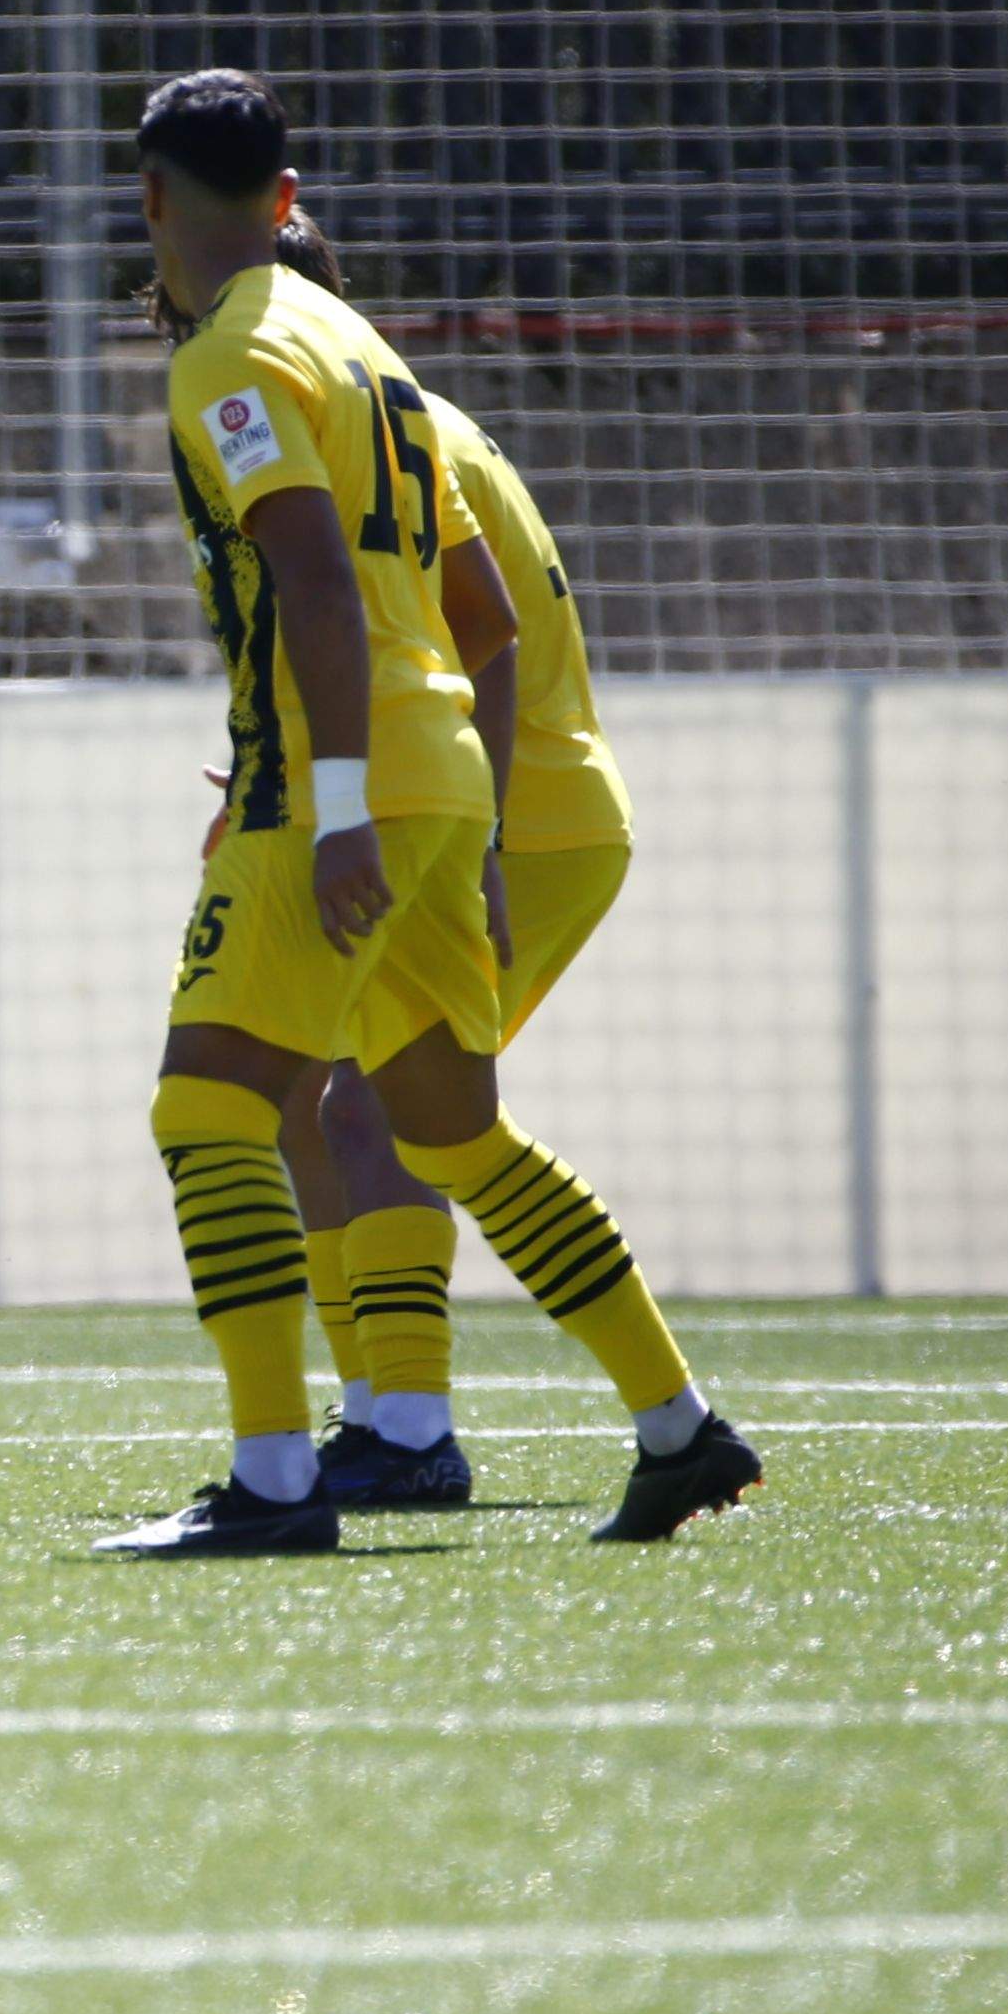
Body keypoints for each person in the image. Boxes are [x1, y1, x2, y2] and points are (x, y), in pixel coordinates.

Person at [95, 73, 756, 1557]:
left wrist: (332, 809)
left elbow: (320, 582)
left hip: (350, 783)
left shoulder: (229, 359)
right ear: (286, 194)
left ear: (149, 202)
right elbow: (477, 607)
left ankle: (272, 1485)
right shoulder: (365, 350)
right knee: (453, 1133)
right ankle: (679, 1427)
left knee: (206, 1107)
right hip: (450, 776)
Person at [277, 359, 642, 1510]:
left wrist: (475, 834)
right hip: (483, 807)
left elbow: (475, 638)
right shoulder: (408, 421)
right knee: (320, 1097)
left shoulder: (367, 437)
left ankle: (412, 1431)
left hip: (507, 818)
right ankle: (377, 1417)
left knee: (378, 1107)